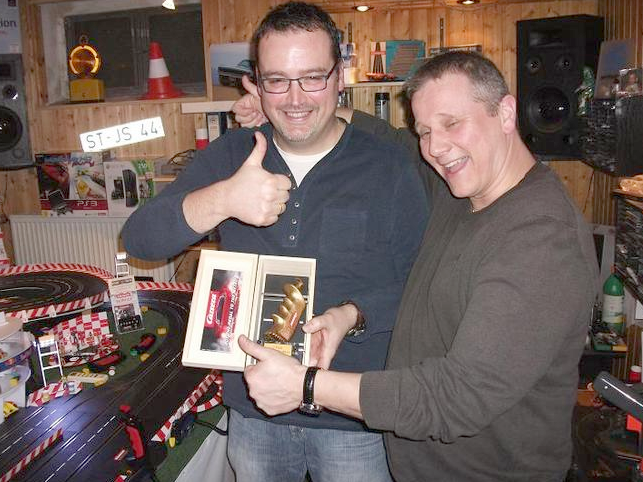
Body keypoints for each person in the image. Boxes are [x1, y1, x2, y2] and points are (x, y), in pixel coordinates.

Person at [238, 51, 599, 482]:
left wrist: (307, 385)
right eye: (425, 131)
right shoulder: (458, 187)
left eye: (452, 123)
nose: (436, 147)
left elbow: (458, 397)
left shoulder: (541, 240)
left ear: (505, 113)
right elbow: (391, 139)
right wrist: (293, 109)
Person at [120, 2, 428, 481]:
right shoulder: (232, 156)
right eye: (277, 80)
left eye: (312, 78)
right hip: (255, 413)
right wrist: (223, 198)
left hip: (352, 417)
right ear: (256, 84)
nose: (295, 98)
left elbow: (419, 283)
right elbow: (140, 238)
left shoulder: (389, 166)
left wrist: (352, 314)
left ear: (340, 77)